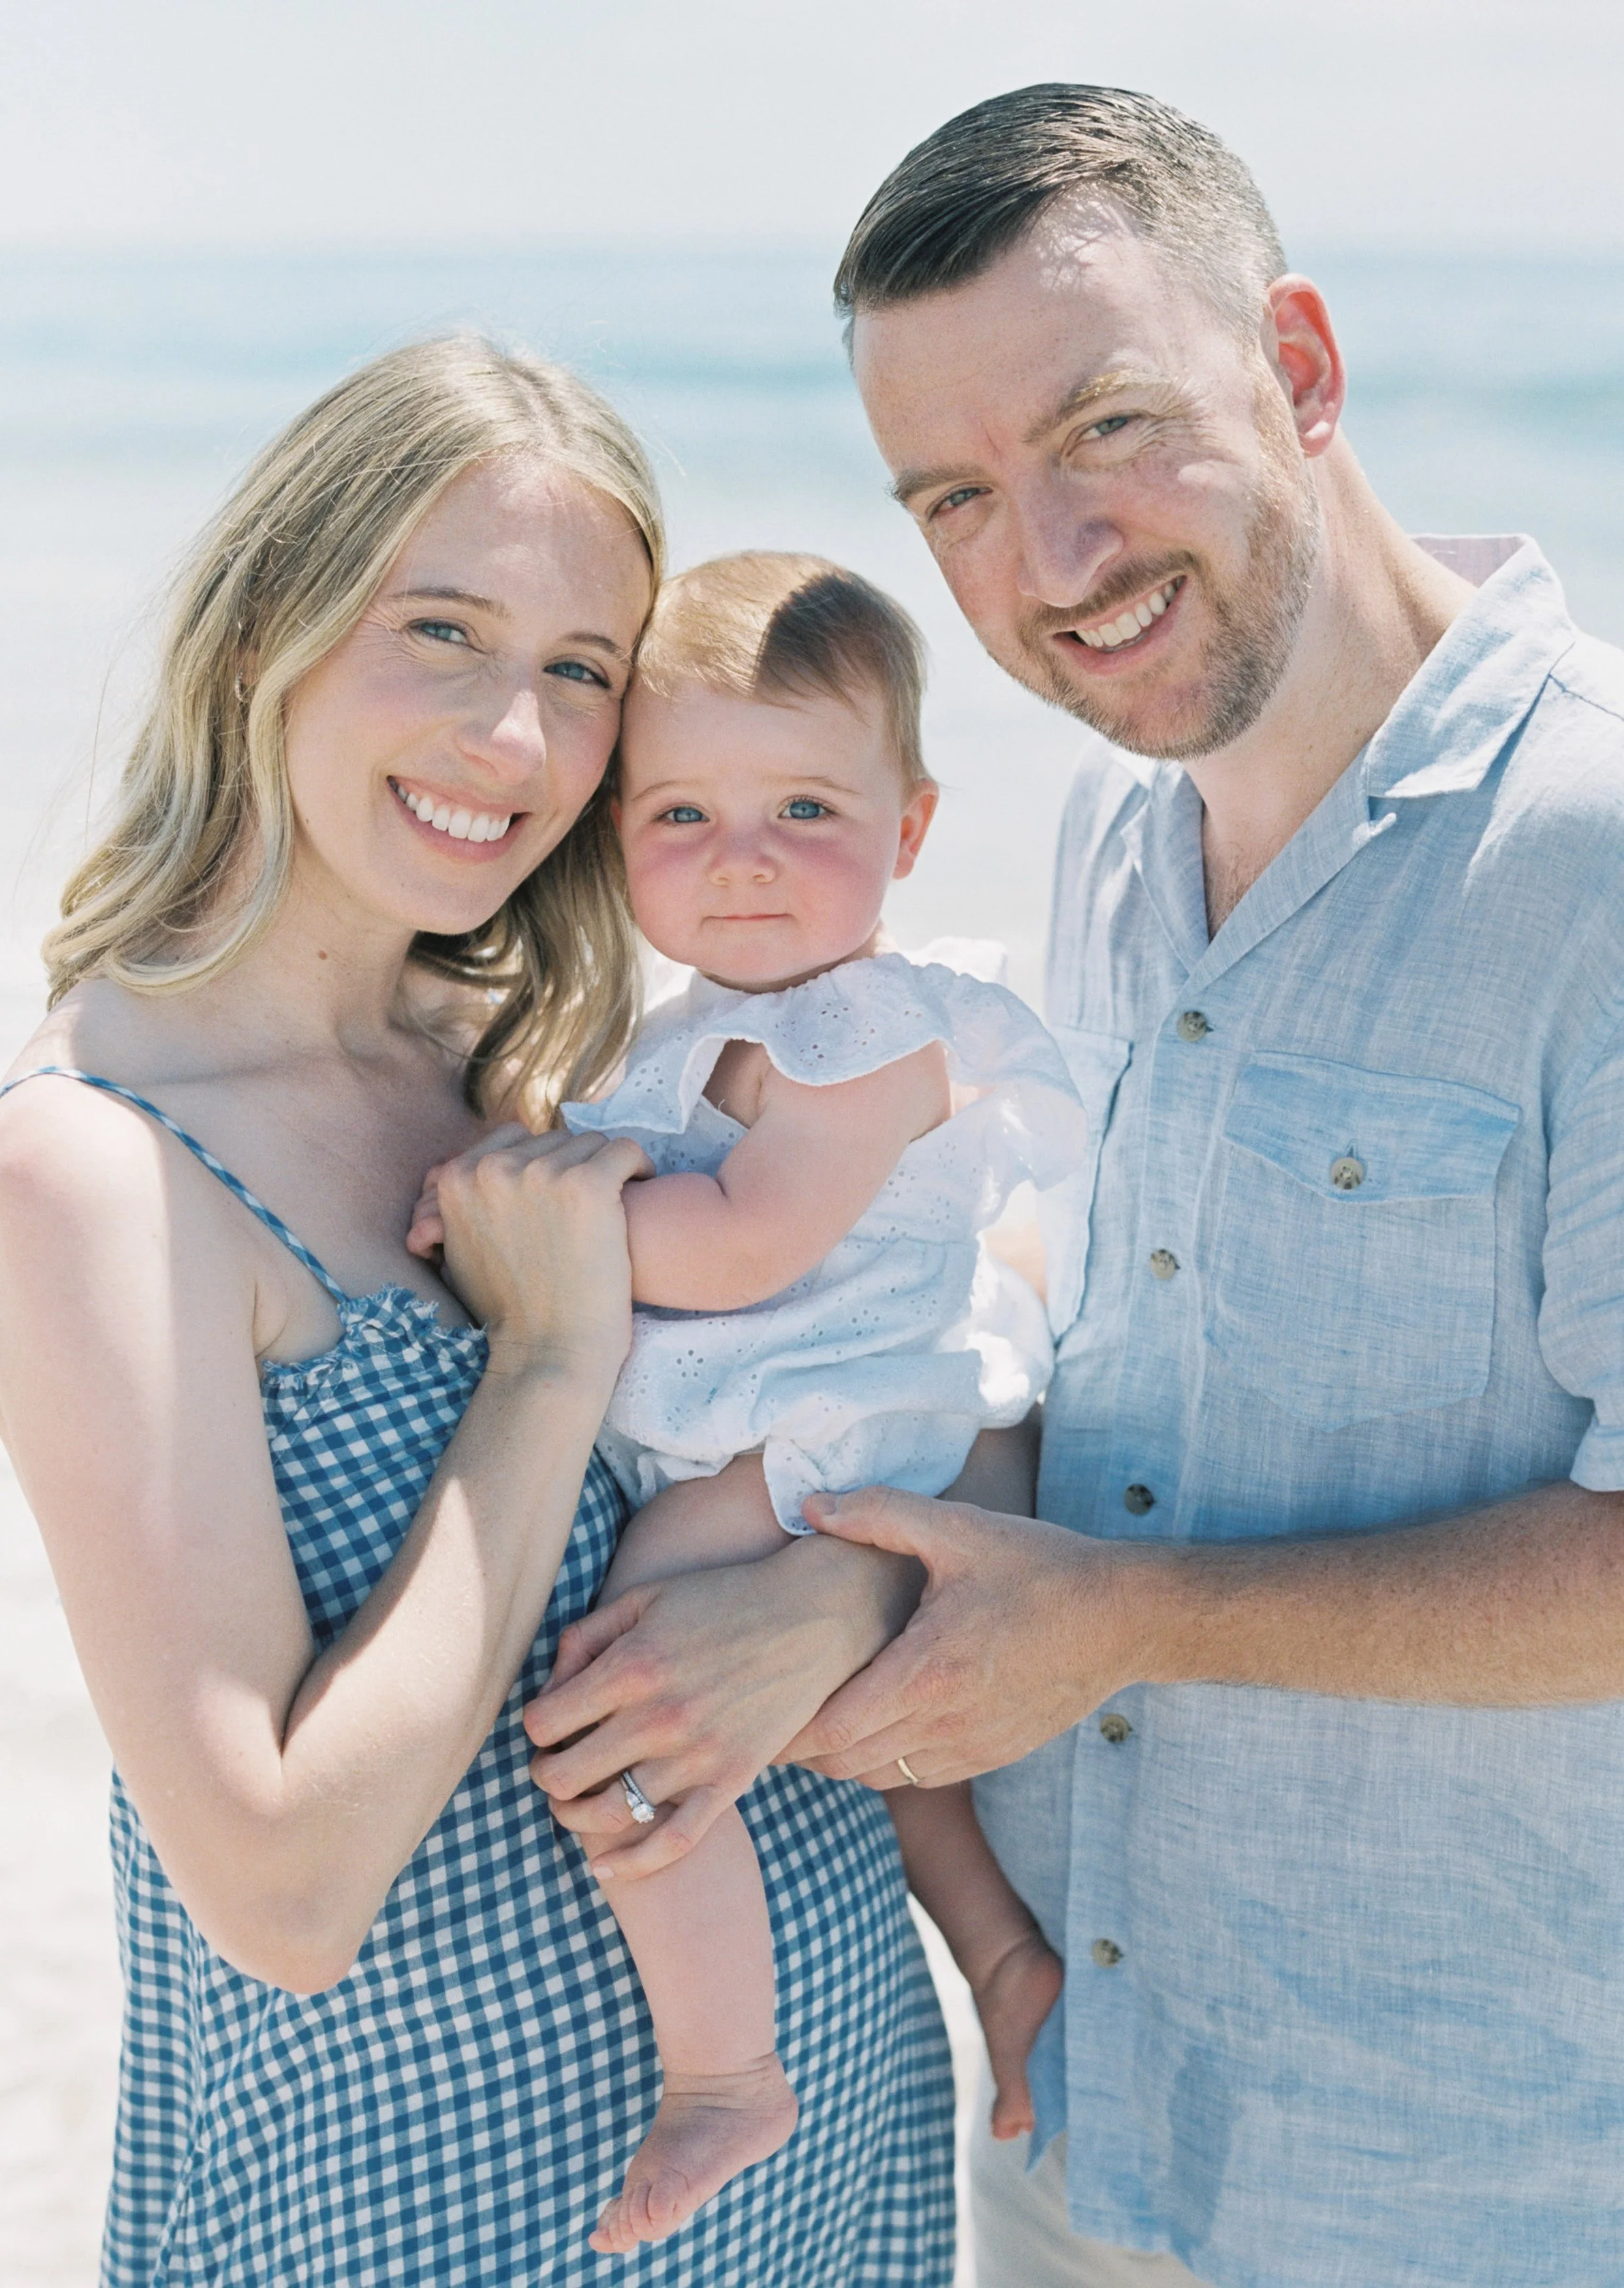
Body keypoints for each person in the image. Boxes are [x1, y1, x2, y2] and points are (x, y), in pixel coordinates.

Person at [523, 84, 1624, 2288]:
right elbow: (1079, 1382)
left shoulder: (1590, 865)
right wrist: (855, 1576)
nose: (1050, 558)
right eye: (954, 495)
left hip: (1453, 2177)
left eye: (1106, 426)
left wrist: (1128, 1622)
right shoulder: (1116, 842)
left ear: (1297, 369)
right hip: (1070, 2111)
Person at [0, 337, 955, 2286]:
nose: (514, 737)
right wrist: (555, 1353)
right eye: (444, 631)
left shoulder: (542, 1068)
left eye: (581, 671)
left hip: (827, 2134)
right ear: (270, 629)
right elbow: (283, 1882)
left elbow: (933, 1394)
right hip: (451, 2214)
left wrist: (828, 1600)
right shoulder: (93, 1165)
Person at [413, 548, 1074, 2252]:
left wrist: (529, 1208)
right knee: (895, 1747)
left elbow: (737, 1241)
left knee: (632, 1663)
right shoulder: (704, 1023)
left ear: (910, 829)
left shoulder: (864, 1030)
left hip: (839, 1422)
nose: (745, 861)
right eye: (682, 818)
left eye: (801, 806)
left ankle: (723, 2066)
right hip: (800, 1416)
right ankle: (996, 1946)